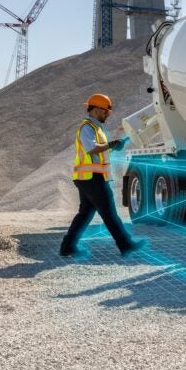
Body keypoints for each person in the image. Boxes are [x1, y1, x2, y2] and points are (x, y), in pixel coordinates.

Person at [59, 93, 147, 258]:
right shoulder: (87, 127)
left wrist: (113, 146)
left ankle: (68, 246)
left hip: (89, 177)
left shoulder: (96, 128)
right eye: (106, 111)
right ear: (97, 110)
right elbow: (91, 148)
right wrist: (110, 144)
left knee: (85, 213)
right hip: (91, 178)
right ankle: (125, 244)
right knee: (109, 213)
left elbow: (99, 150)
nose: (107, 114)